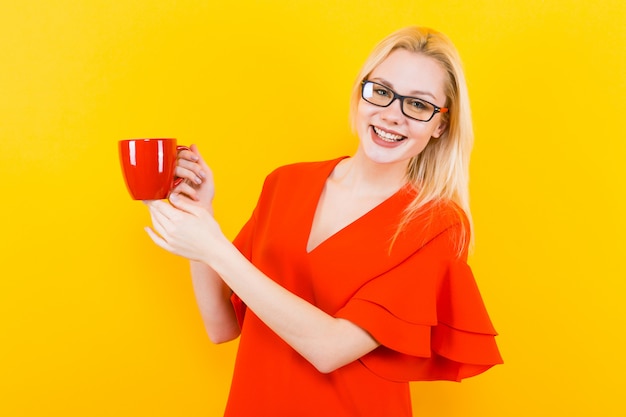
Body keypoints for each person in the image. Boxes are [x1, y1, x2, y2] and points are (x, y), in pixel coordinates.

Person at [144, 26, 503, 417]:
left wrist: (213, 246)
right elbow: (221, 327)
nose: (391, 115)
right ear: (361, 93)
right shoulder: (286, 183)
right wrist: (201, 214)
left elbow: (330, 349)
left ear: (441, 125)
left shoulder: (438, 226)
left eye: (417, 105)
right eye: (381, 92)